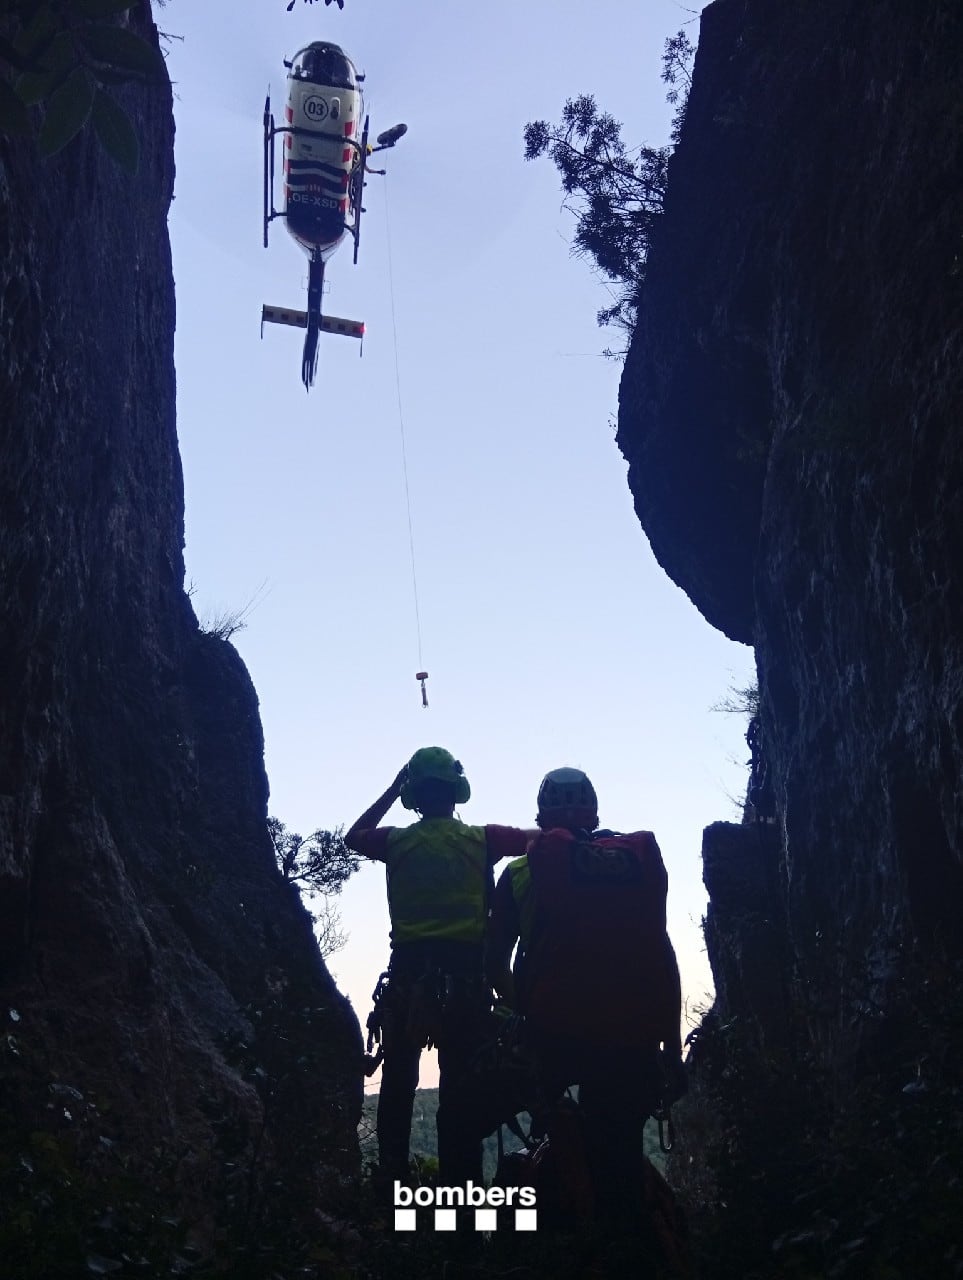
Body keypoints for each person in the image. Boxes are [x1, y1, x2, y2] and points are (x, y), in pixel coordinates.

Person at [487, 766, 687, 1223]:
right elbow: (661, 951)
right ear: (594, 814)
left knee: (552, 1147)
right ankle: (632, 1249)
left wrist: (520, 1014)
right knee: (619, 1156)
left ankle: (560, 1243)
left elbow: (494, 961)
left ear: (541, 817)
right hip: (633, 1034)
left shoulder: (520, 873)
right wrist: (671, 1050)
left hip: (554, 1033)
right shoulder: (632, 864)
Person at [345, 747, 532, 1188]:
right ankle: (459, 1200)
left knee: (398, 1085)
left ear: (415, 795)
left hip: (408, 976)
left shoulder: (397, 842)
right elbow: (536, 840)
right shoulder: (482, 840)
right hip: (465, 981)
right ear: (455, 792)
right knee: (459, 1090)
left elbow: (355, 835)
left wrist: (393, 788)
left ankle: (392, 1183)